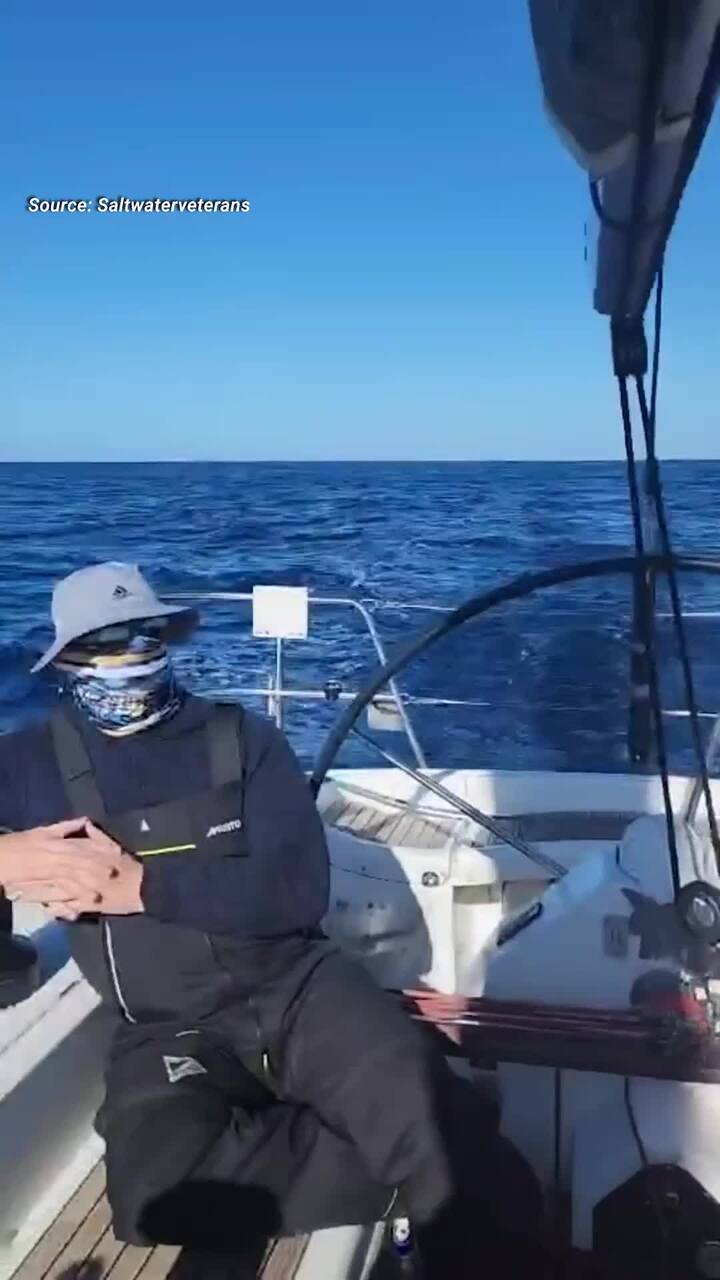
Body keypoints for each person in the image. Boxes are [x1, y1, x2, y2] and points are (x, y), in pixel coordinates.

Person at [0, 563, 544, 1275]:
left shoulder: (242, 738)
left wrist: (143, 886)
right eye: (104, 643)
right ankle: (418, 1150)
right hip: (168, 1022)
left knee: (452, 1150)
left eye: (144, 634)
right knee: (151, 1198)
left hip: (296, 988)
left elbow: (297, 892)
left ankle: (432, 1149)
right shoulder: (26, 762)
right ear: (66, 661)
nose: (129, 655)